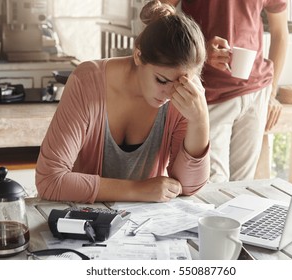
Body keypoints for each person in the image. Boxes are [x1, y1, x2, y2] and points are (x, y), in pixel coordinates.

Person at [35, 0, 210, 203]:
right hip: (87, 223)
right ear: (138, 55)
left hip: (148, 226)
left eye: (181, 82)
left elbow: (187, 187)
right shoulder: (87, 82)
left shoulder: (184, 93)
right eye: (161, 80)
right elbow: (49, 180)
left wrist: (200, 120)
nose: (171, 93)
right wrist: (137, 190)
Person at [165, 0, 289, 182]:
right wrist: (198, 48)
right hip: (210, 94)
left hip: (256, 92)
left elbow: (281, 34)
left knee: (243, 186)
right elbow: (160, 14)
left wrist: (271, 93)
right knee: (211, 185)